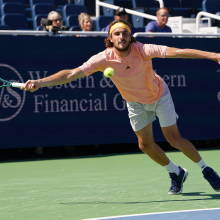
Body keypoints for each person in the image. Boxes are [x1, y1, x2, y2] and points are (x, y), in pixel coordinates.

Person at [23, 19, 220, 195]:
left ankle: (206, 169)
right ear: (110, 38)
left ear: (130, 37)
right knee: (145, 145)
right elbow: (70, 75)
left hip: (160, 96)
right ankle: (176, 173)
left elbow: (177, 52)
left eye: (125, 33)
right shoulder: (103, 58)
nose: (121, 36)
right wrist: (40, 83)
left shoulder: (142, 49)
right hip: (135, 103)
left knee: (173, 138)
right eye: (117, 34)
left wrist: (213, 55)